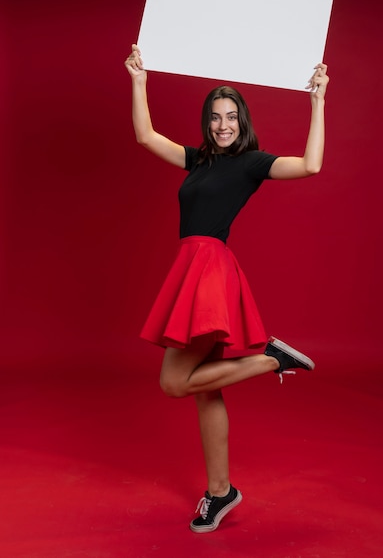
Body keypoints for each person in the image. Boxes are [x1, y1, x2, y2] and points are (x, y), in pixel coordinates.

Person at [124, 44, 329, 533]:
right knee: (205, 388)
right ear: (207, 120)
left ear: (243, 120)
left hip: (210, 270)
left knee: (174, 382)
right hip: (190, 268)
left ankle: (270, 359)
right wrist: (138, 79)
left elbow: (310, 166)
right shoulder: (197, 160)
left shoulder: (251, 163)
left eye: (231, 116)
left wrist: (318, 103)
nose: (223, 125)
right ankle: (221, 493)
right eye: (215, 117)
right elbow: (146, 136)